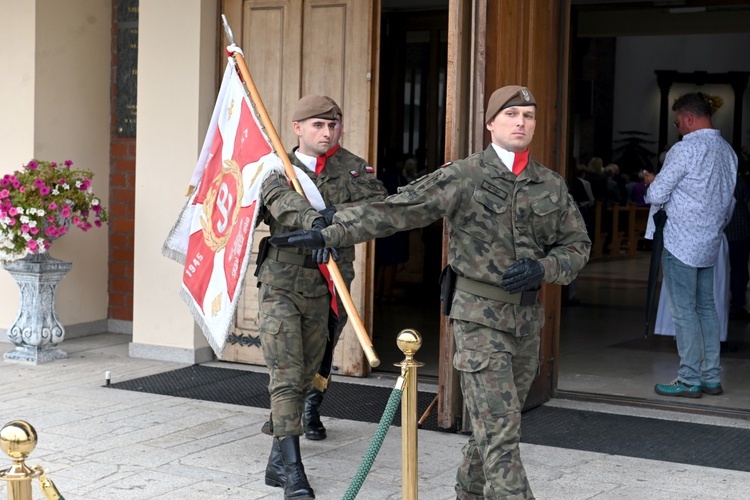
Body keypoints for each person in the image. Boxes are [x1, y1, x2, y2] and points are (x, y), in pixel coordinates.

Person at [271, 85, 591, 499]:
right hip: (478, 319)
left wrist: (544, 268)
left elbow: (577, 246)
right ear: (490, 124)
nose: (521, 123)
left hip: (527, 321)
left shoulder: (548, 183)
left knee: (494, 424)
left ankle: (469, 491)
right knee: (501, 433)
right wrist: (329, 231)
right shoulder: (463, 175)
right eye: (511, 115)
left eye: (528, 116)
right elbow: (397, 210)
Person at [257, 95, 387, 498]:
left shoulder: (352, 167)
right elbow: (280, 201)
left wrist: (333, 227)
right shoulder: (276, 165)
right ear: (298, 128)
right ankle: (294, 474)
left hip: (328, 282)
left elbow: (377, 209)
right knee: (286, 372)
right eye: (317, 125)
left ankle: (277, 460)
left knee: (312, 365)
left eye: (333, 125)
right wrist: (315, 223)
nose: (327, 132)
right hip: (281, 280)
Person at [644, 92, 738, 399]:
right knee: (707, 309)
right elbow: (728, 202)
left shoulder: (684, 150)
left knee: (683, 312)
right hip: (709, 239)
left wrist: (651, 182)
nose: (678, 127)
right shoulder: (728, 152)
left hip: (681, 239)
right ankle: (711, 377)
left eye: (677, 121)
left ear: (688, 118)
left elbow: (657, 194)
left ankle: (688, 378)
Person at [726, 174, 750, 320]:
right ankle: (737, 305)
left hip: (721, 232)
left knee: (720, 272)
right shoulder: (739, 181)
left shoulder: (716, 178)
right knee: (740, 271)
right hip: (740, 232)